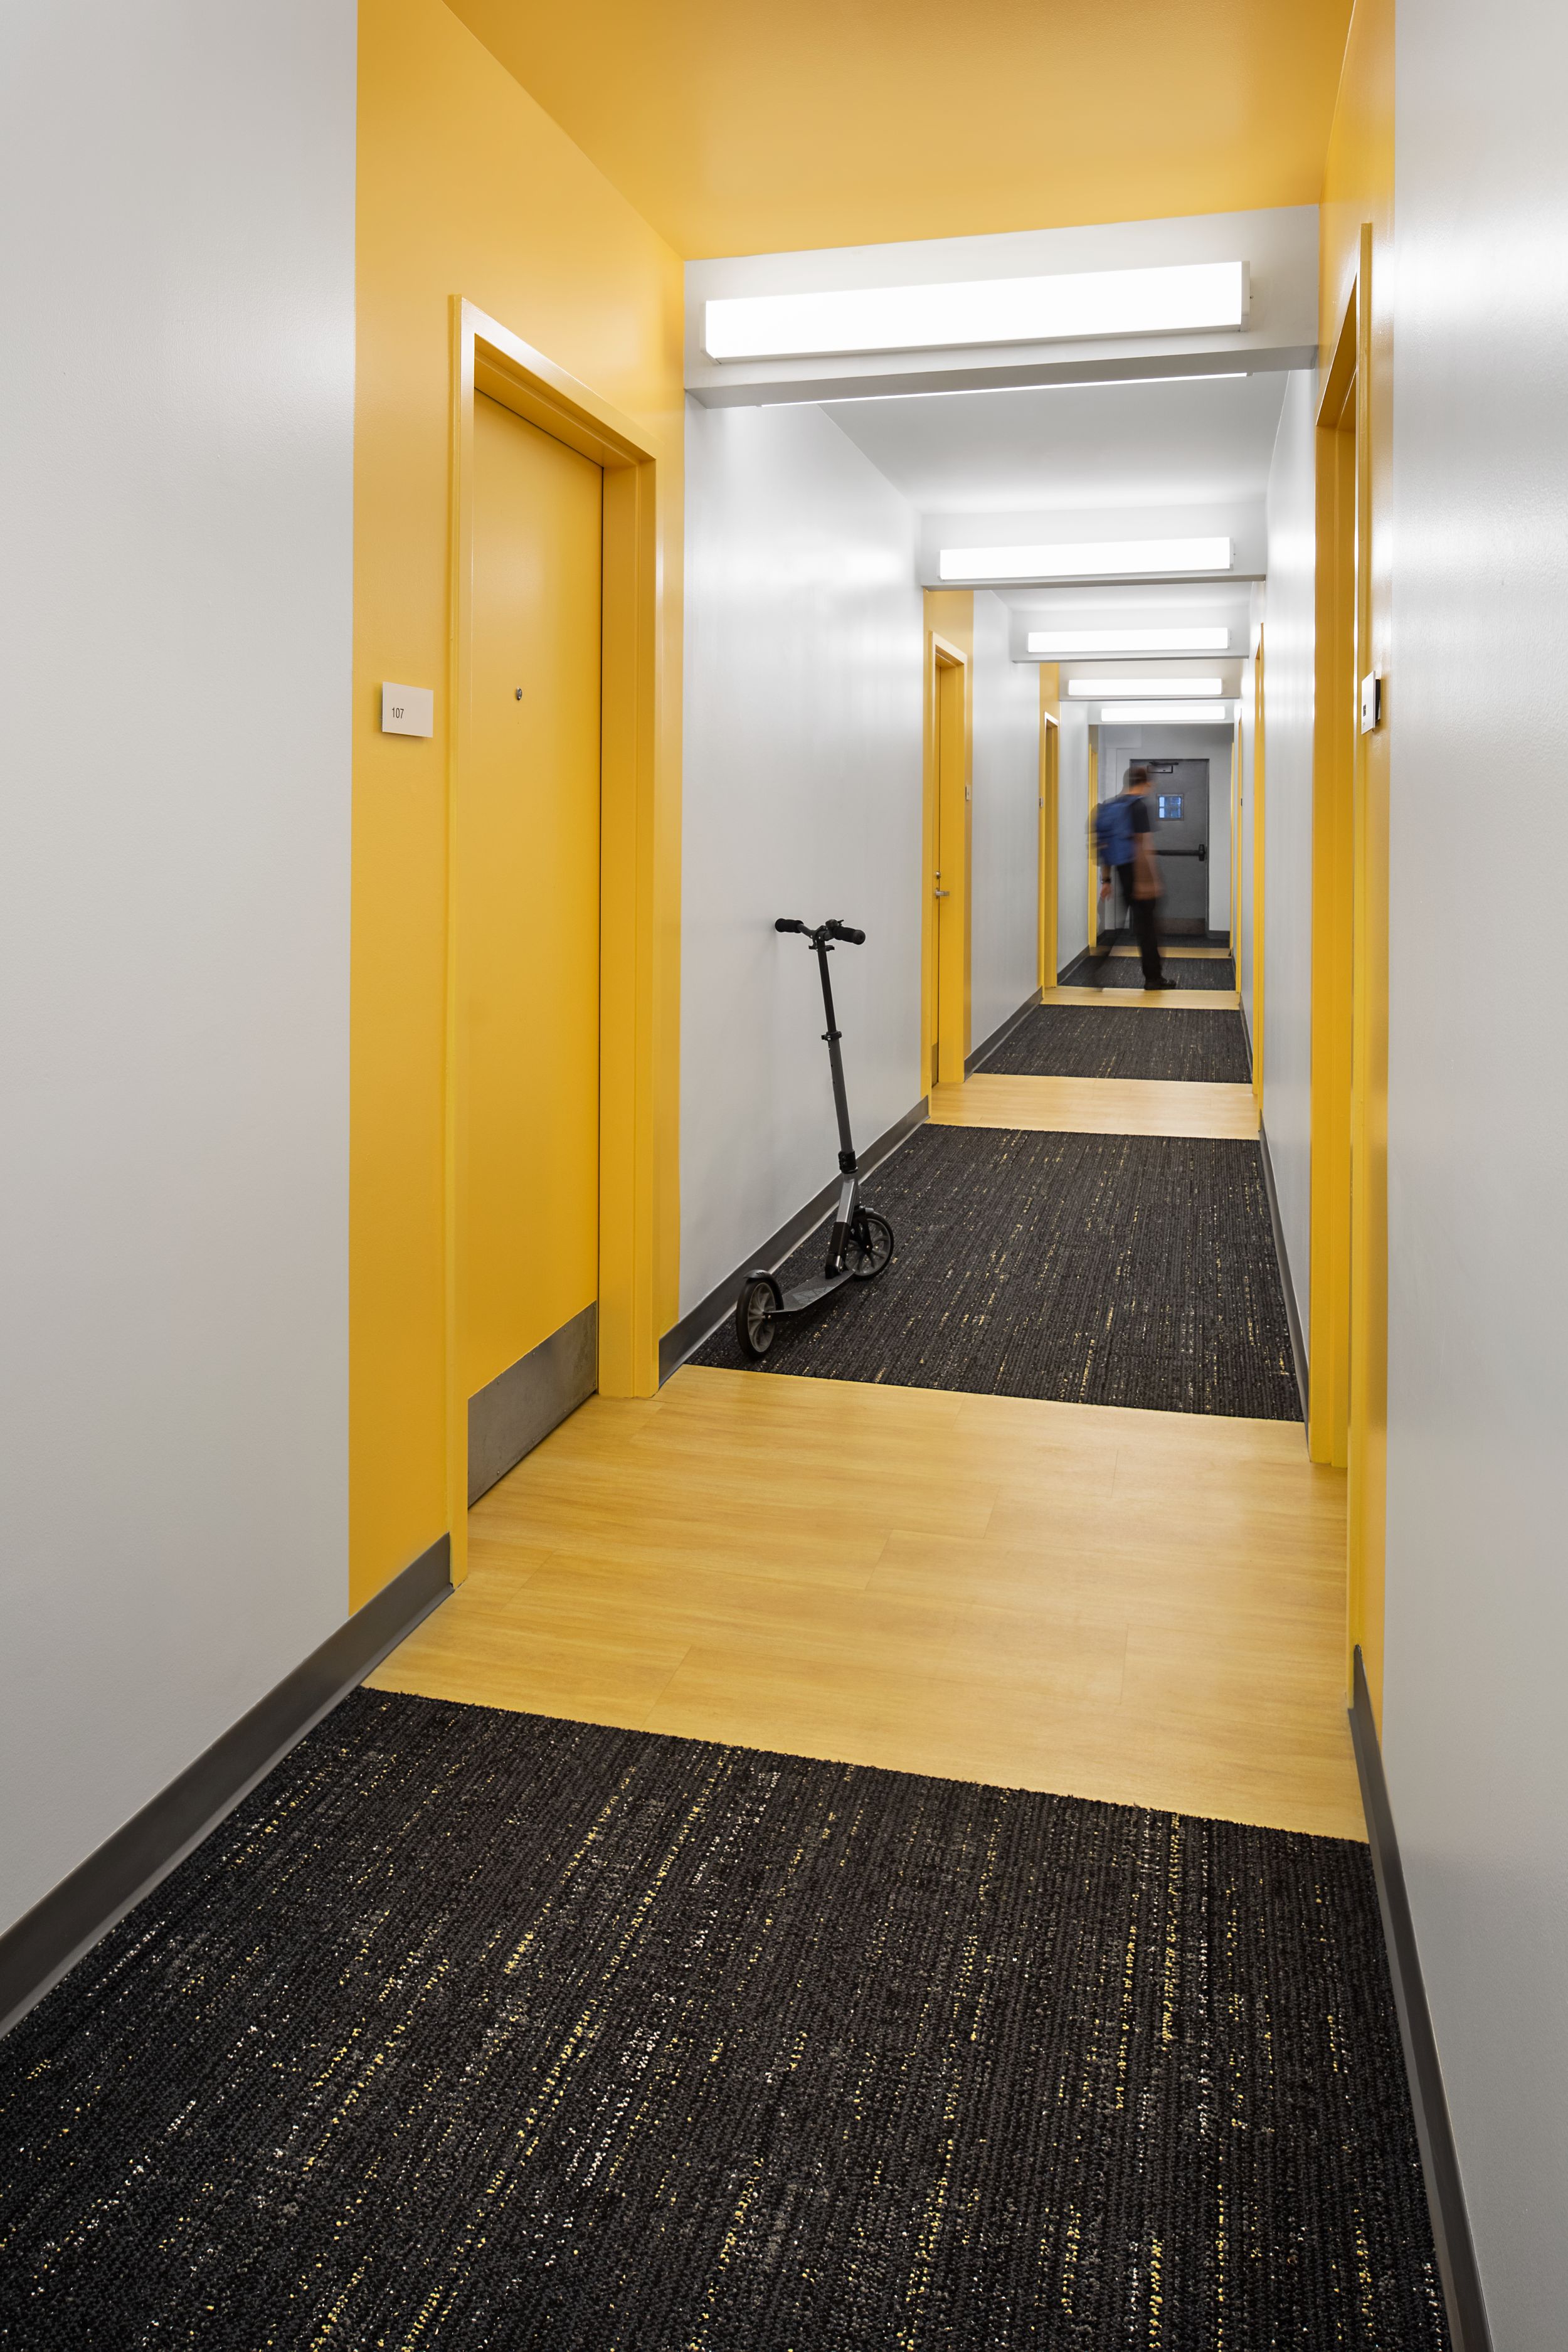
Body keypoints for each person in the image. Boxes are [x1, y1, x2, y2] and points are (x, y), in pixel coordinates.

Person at [1096, 761, 1169, 988]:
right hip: (1140, 874)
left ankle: (1096, 965)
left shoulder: (1113, 805)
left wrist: (1106, 880)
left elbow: (1105, 846)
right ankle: (1154, 979)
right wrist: (1151, 881)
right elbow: (1144, 845)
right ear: (1144, 784)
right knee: (1148, 930)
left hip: (1122, 872)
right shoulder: (1139, 807)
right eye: (1149, 784)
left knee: (1121, 927)